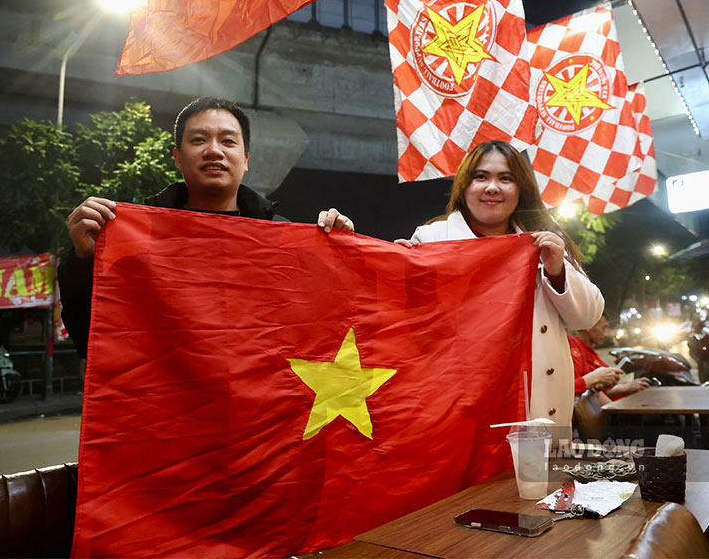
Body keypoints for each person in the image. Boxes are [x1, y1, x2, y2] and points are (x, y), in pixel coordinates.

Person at [59, 97, 353, 357]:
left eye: (228, 141)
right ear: (178, 158)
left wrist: (345, 258)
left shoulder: (284, 243)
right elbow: (92, 341)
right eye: (199, 140)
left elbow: (326, 333)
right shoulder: (136, 241)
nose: (214, 151)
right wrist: (85, 260)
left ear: (245, 160)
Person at [394, 140, 604, 431]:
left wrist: (557, 271)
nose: (492, 187)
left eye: (506, 178)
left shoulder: (544, 241)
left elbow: (587, 317)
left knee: (536, 461)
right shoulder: (431, 239)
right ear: (464, 186)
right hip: (460, 409)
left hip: (535, 408)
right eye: (480, 177)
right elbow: (401, 321)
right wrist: (351, 245)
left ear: (521, 190)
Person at [569, 314, 650, 404]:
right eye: (603, 328)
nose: (606, 334)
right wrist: (625, 387)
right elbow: (586, 391)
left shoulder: (591, 352)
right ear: (589, 326)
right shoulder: (572, 347)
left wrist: (625, 385)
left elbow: (601, 387)